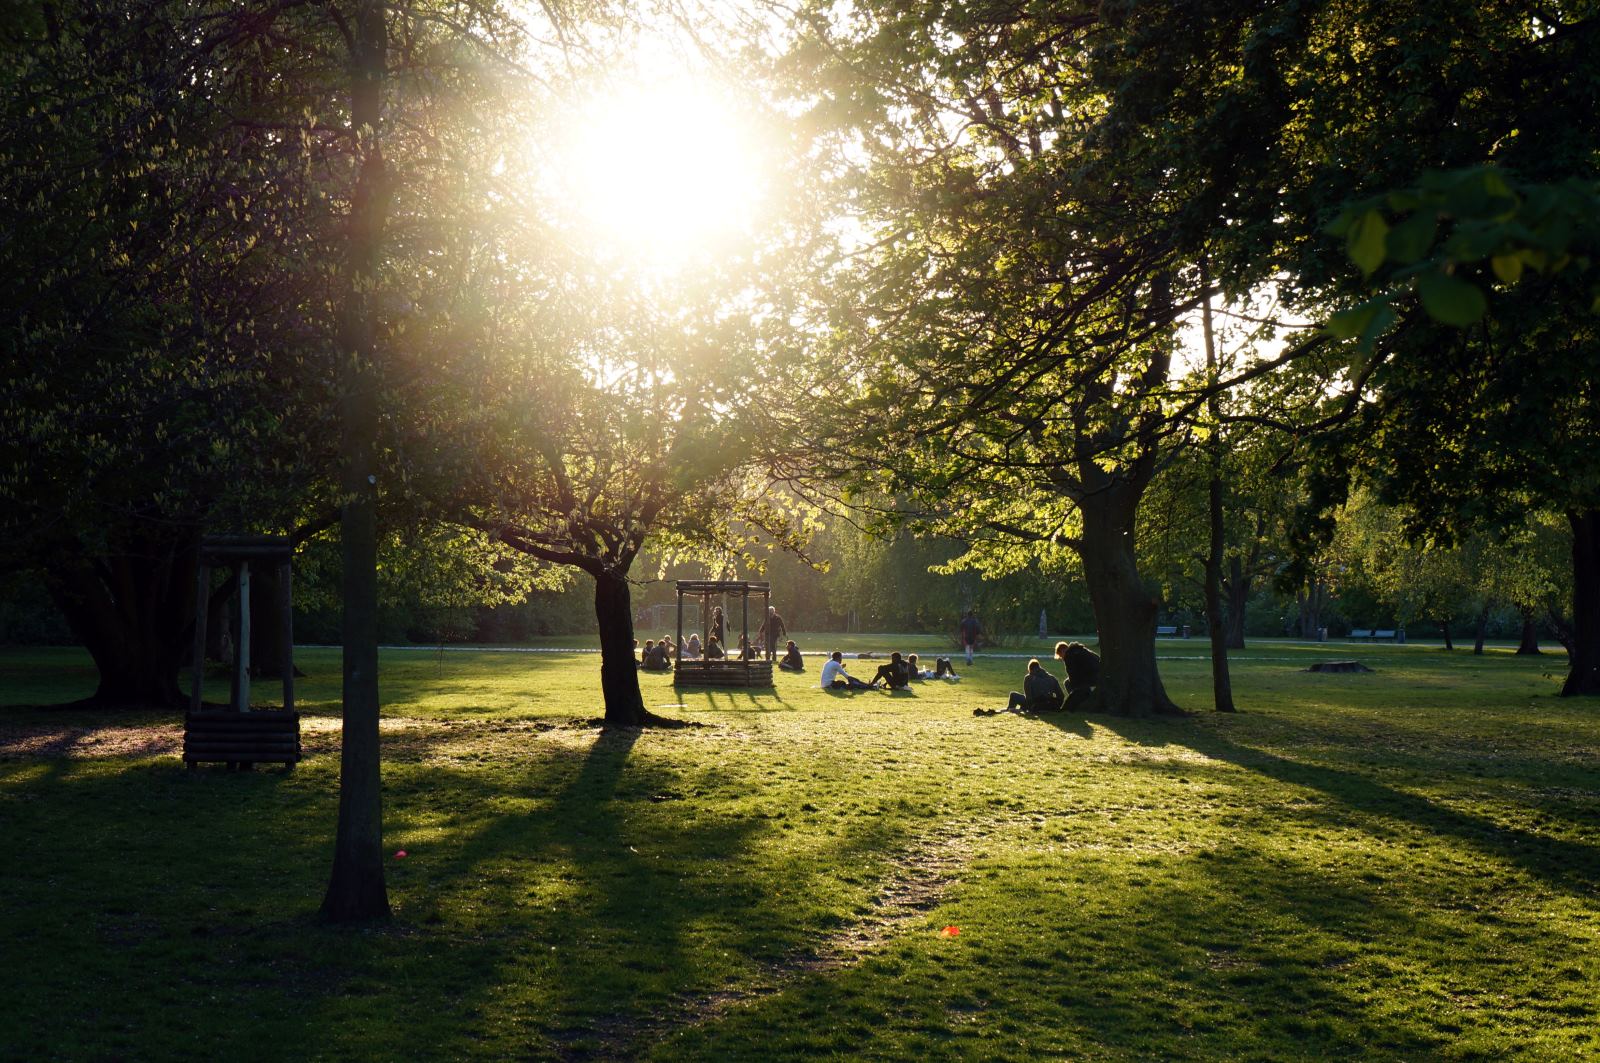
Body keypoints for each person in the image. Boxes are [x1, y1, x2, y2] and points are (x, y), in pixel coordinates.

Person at [977, 658, 1063, 716]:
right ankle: (1009, 710)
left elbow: (1029, 698)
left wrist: (1025, 709)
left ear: (1031, 669)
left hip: (1035, 705)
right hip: (1048, 705)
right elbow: (1061, 696)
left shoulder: (1029, 678)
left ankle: (1009, 710)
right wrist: (1054, 707)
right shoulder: (1052, 678)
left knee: (1013, 695)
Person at [1055, 641, 1101, 711]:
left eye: (1061, 656)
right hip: (1098, 677)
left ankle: (1078, 703)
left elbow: (1072, 675)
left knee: (1067, 683)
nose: (1062, 659)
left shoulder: (1069, 656)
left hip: (1089, 680)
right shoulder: (1083, 650)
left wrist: (1075, 692)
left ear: (1062, 651)